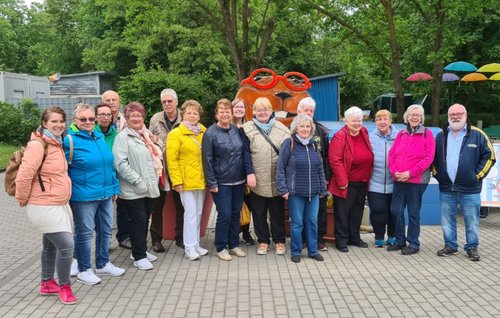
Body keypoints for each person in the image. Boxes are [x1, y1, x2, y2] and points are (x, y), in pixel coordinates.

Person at [15, 106, 76, 304]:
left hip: (58, 203)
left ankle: (47, 283)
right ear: (44, 123)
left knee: (50, 246)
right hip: (43, 205)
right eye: (54, 122)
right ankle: (64, 286)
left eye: (61, 121)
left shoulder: (56, 143)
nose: (59, 125)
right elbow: (24, 175)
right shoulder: (38, 144)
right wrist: (23, 198)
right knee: (67, 246)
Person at [65, 103, 124, 285]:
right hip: (84, 197)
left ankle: (102, 263)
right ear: (75, 120)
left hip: (105, 194)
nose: (88, 122)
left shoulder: (98, 136)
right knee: (84, 234)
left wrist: (114, 188)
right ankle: (84, 269)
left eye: (91, 118)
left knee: (105, 231)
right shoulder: (69, 140)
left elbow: (109, 165)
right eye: (83, 119)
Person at [433, 103, 495, 261]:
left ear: (466, 115)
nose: (455, 117)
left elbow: (489, 156)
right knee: (447, 219)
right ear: (448, 116)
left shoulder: (478, 134)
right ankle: (450, 246)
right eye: (452, 114)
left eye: (459, 113)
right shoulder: (441, 136)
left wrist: (476, 176)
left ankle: (472, 247)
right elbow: (433, 159)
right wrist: (438, 174)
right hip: (447, 187)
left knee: (471, 219)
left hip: (470, 187)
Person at [203, 98, 254, 261]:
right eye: (222, 112)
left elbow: (244, 153)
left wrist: (247, 175)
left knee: (234, 214)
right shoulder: (210, 133)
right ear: (217, 114)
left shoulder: (236, 130)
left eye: (227, 111)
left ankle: (233, 244)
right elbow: (207, 160)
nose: (225, 114)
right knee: (224, 214)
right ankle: (221, 246)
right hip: (221, 182)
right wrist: (212, 182)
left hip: (238, 181)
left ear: (231, 114)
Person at [113, 102, 162, 270]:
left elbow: (156, 154)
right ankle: (139, 256)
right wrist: (138, 181)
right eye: (132, 116)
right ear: (126, 118)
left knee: (144, 220)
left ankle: (138, 250)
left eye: (139, 115)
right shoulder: (123, 137)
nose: (136, 118)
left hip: (149, 187)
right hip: (133, 188)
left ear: (143, 117)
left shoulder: (146, 134)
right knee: (138, 221)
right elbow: (120, 164)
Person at [276, 114, 327, 263]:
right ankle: (296, 251)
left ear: (311, 129)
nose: (305, 129)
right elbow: (280, 167)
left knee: (312, 222)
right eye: (302, 126)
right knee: (297, 223)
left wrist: (322, 188)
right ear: (295, 128)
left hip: (314, 193)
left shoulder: (313, 145)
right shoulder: (289, 143)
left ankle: (313, 251)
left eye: (307, 126)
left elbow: (320, 169)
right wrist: (283, 189)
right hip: (295, 193)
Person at [242, 97, 290, 255]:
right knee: (259, 212)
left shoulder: (282, 129)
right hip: (256, 178)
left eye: (266, 109)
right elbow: (245, 154)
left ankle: (279, 241)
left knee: (277, 212)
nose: (262, 112)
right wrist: (249, 173)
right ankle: (263, 240)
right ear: (253, 111)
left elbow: (288, 154)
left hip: (277, 179)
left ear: (271, 111)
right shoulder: (247, 129)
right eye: (258, 109)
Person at [388, 104, 435, 255]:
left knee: (413, 213)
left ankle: (414, 243)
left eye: (417, 115)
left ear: (421, 118)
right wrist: (395, 172)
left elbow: (428, 158)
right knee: (396, 210)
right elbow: (392, 155)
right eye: (412, 115)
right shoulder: (401, 134)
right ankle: (400, 240)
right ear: (407, 117)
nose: (414, 117)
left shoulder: (427, 134)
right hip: (399, 179)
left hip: (417, 181)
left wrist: (410, 173)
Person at [328, 106, 374, 253]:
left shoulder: (364, 132)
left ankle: (354, 237)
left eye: (359, 121)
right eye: (354, 121)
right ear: (346, 121)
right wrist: (342, 182)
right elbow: (335, 159)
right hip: (346, 182)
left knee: (357, 211)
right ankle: (341, 240)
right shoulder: (340, 136)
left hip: (362, 180)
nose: (357, 124)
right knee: (342, 212)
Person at [167, 100, 208, 261]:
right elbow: (171, 159)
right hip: (185, 182)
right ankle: (189, 247)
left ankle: (196, 243)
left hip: (201, 179)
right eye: (189, 113)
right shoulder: (175, 134)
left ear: (199, 115)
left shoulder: (204, 132)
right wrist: (176, 181)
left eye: (195, 113)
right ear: (183, 115)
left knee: (198, 212)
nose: (192, 115)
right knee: (190, 214)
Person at [148, 88, 182, 253]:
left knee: (182, 205)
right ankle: (156, 240)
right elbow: (149, 143)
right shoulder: (155, 119)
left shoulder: (185, 118)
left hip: (179, 169)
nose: (167, 104)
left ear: (176, 102)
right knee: (157, 205)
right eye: (164, 102)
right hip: (160, 169)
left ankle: (181, 238)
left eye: (170, 101)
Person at [296, 97, 331, 251]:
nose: (309, 113)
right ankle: (303, 240)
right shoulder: (293, 129)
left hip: (318, 177)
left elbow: (327, 155)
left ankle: (319, 239)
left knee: (320, 210)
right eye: (306, 110)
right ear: (299, 111)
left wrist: (327, 177)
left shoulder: (320, 130)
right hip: (300, 179)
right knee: (301, 212)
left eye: (311, 110)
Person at [101, 90, 130, 250]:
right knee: (105, 207)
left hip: (123, 168)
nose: (111, 102)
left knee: (123, 205)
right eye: (108, 100)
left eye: (114, 99)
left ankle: (124, 236)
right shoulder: (96, 122)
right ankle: (104, 240)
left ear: (119, 101)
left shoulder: (125, 120)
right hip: (104, 169)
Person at [367, 109, 398, 248]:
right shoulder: (370, 137)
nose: (382, 122)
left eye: (385, 119)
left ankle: (392, 235)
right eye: (379, 119)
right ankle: (379, 236)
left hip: (395, 181)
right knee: (378, 210)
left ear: (390, 121)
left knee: (393, 211)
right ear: (375, 122)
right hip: (375, 181)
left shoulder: (400, 136)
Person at [231, 98, 255, 246]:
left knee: (249, 204)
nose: (239, 109)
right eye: (236, 107)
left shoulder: (249, 127)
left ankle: (246, 232)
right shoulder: (227, 127)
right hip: (233, 171)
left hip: (249, 170)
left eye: (242, 107)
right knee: (236, 205)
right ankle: (234, 232)